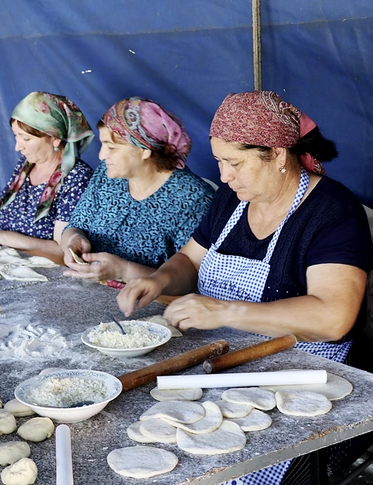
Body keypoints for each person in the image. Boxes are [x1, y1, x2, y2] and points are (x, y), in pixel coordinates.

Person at [118, 90, 373, 484]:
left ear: (277, 154)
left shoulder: (333, 211)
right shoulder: (231, 199)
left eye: (234, 162)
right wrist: (157, 280)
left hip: (305, 374)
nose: (223, 175)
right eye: (220, 161)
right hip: (225, 357)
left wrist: (223, 310)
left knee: (232, 465)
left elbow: (333, 316)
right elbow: (189, 259)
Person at [61, 97, 214, 284]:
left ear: (145, 150)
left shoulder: (193, 199)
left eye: (112, 147)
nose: (102, 155)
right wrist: (73, 239)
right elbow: (76, 225)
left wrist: (122, 271)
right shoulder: (107, 175)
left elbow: (190, 279)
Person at [0, 91, 94, 260]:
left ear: (54, 138)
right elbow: (15, 216)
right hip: (14, 265)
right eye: (16, 136)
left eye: (26, 139)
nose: (18, 147)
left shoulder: (77, 178)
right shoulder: (26, 166)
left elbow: (64, 252)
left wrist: (1, 238)